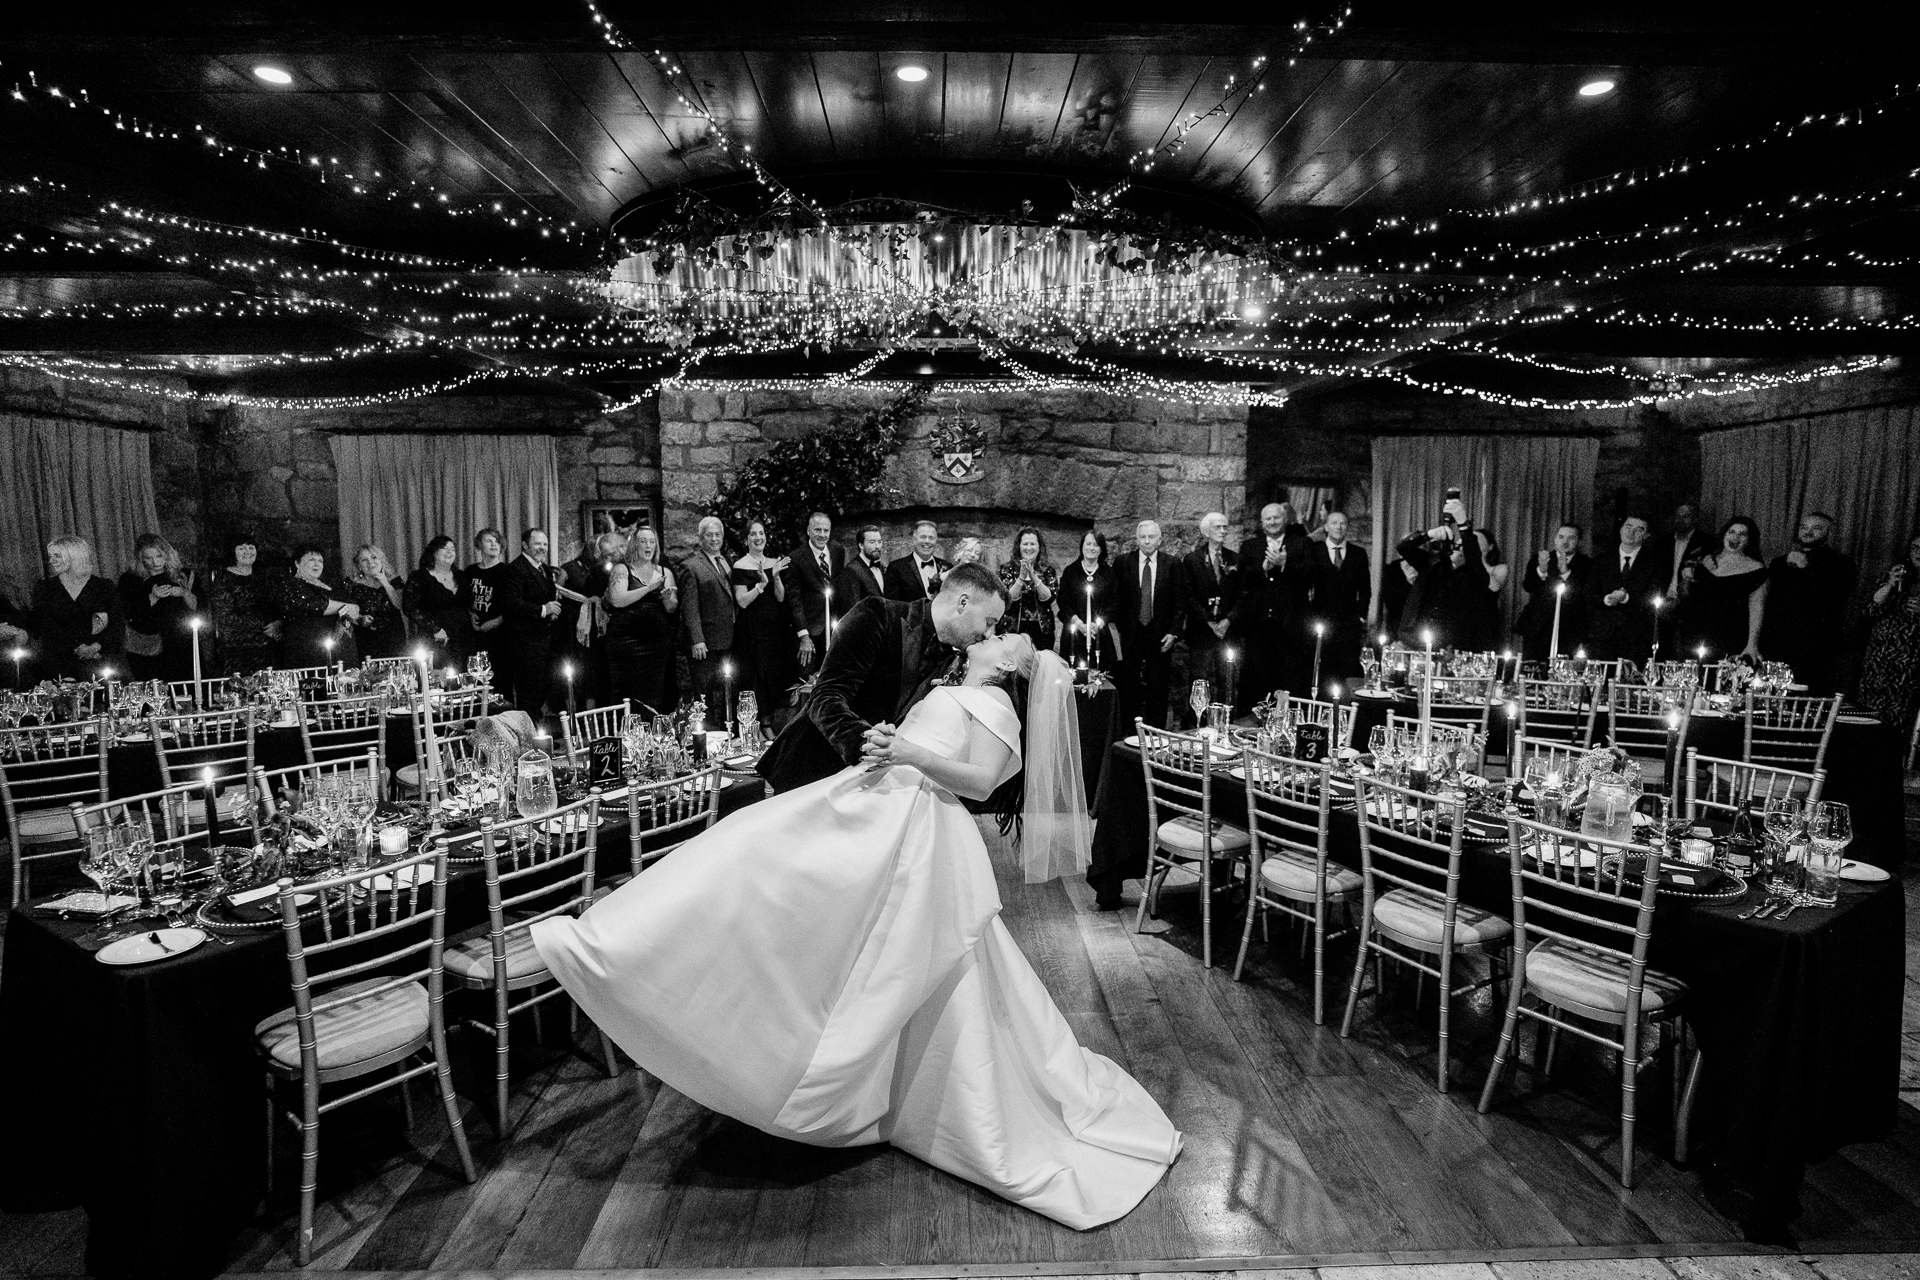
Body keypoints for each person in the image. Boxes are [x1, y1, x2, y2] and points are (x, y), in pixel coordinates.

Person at [532, 630, 1180, 1230]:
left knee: (791, 886)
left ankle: (825, 1069)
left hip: (914, 829)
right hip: (876, 803)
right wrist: (884, 744)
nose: (1000, 633)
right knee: (750, 857)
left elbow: (982, 781)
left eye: (1010, 636)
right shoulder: (957, 686)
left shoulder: (998, 707)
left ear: (1010, 663)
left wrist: (905, 748)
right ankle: (615, 944)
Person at [758, 561, 1007, 794]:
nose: (989, 633)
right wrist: (864, 740)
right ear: (962, 603)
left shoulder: (954, 662)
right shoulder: (877, 614)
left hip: (870, 790)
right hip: (806, 774)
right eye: (989, 621)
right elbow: (825, 697)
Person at [1758, 512, 1858, 695]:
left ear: (1828, 533)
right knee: (1772, 702)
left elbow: (1833, 600)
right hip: (1777, 645)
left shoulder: (1842, 564)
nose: (1808, 532)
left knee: (1808, 705)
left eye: (1816, 528)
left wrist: (1806, 569)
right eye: (1804, 527)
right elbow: (1769, 604)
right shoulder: (1780, 563)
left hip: (1815, 649)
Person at [1396, 495, 1500, 651]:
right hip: (1411, 640)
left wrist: (1464, 526)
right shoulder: (1432, 563)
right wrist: (1428, 535)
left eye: (1467, 545)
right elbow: (1403, 547)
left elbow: (1476, 564)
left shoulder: (1474, 576)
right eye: (1459, 544)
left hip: (1446, 647)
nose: (1461, 547)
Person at [1233, 503, 1310, 710]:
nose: (1273, 522)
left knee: (1289, 676)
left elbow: (1311, 576)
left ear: (1284, 520)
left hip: (1290, 625)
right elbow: (1241, 579)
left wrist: (1285, 563)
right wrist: (1263, 568)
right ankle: (1253, 723)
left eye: (1276, 518)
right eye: (1268, 519)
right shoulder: (1250, 546)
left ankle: (1287, 722)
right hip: (1258, 625)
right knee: (1257, 677)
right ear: (1262, 523)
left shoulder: (1301, 544)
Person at [1114, 521, 1184, 729]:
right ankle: (1128, 733)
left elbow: (1179, 602)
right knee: (1129, 687)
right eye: (1142, 537)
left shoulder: (1172, 564)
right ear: (1137, 540)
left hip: (1160, 635)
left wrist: (1173, 632)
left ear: (1160, 540)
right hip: (1131, 634)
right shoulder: (1122, 562)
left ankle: (1156, 736)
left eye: (1151, 537)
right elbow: (1116, 599)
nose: (1147, 541)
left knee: (1158, 688)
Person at [27, 536, 122, 682]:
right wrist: (79, 648)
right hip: (60, 663)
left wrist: (96, 647)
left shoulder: (104, 586)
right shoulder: (44, 588)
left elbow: (117, 624)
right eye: (50, 556)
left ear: (74, 556)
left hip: (102, 661)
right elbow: (46, 625)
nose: (51, 561)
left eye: (57, 556)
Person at [605, 527, 678, 715]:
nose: (648, 545)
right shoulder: (622, 569)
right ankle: (625, 734)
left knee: (653, 691)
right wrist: (648, 588)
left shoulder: (664, 572)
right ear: (634, 544)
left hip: (656, 644)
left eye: (652, 541)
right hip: (625, 642)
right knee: (625, 690)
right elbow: (618, 599)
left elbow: (671, 608)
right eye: (643, 541)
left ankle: (651, 734)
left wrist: (667, 598)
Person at [1676, 516, 1768, 662]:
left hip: (1730, 637)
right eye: (1731, 532)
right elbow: (1684, 594)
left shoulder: (1756, 570)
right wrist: (1686, 578)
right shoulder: (1705, 560)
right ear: (1724, 534)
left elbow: (1757, 609)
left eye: (1742, 534)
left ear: (1749, 540)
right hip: (1694, 633)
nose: (1735, 537)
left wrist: (1752, 644)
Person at [732, 520, 794, 736]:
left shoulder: (773, 562)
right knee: (754, 677)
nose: (758, 537)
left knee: (771, 678)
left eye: (761, 533)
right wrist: (761, 584)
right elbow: (742, 601)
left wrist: (775, 577)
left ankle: (767, 725)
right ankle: (752, 728)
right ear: (746, 539)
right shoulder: (740, 566)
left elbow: (780, 597)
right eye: (753, 534)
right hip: (751, 631)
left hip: (773, 630)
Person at [497, 529, 565, 720]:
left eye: (544, 544)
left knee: (542, 689)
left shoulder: (542, 568)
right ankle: (530, 739)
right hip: (525, 643)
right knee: (529, 693)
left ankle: (538, 734)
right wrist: (544, 610)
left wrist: (551, 612)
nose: (542, 548)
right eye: (537, 544)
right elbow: (510, 602)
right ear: (525, 545)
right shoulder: (516, 568)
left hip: (545, 641)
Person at [1857, 532, 1920, 735]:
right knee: (1870, 716)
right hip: (1881, 660)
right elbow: (1869, 610)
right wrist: (1890, 584)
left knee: (1899, 722)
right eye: (1916, 547)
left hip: (1910, 663)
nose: (1919, 552)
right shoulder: (1896, 574)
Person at [1585, 514, 1666, 664]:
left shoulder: (1655, 563)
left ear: (1646, 535)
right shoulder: (1601, 560)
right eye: (1628, 527)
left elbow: (1654, 595)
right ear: (1621, 530)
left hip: (1637, 635)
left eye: (1639, 529)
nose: (1632, 532)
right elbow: (1588, 594)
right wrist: (1606, 599)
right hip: (1603, 635)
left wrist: (1626, 598)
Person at [118, 534, 199, 682]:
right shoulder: (130, 580)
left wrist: (184, 593)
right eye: (148, 558)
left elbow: (200, 608)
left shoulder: (183, 576)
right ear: (140, 558)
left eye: (159, 556)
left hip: (182, 643)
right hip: (148, 647)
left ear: (167, 555)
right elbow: (127, 613)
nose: (155, 562)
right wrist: (152, 597)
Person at [679, 516, 738, 715]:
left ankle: (725, 731)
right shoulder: (691, 566)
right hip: (705, 643)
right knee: (704, 696)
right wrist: (697, 639)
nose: (714, 539)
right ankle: (707, 737)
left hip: (728, 640)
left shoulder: (728, 561)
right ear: (701, 538)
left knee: (726, 691)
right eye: (709, 535)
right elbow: (689, 607)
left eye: (718, 534)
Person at [1181, 513, 1239, 714]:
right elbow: (1187, 597)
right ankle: (1197, 721)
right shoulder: (1192, 560)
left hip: (1227, 632)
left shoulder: (1235, 559)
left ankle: (1225, 721)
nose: (1223, 531)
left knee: (1227, 681)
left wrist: (1228, 620)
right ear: (1206, 532)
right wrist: (1209, 622)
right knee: (1199, 681)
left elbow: (1243, 594)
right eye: (1217, 527)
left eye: (1225, 527)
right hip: (1202, 632)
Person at [1306, 510, 1370, 693]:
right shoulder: (1315, 550)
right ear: (1326, 527)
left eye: (1343, 523)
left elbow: (1365, 589)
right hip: (1320, 621)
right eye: (1334, 523)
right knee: (1322, 668)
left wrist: (1361, 617)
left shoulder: (1359, 553)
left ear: (1347, 527)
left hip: (1349, 623)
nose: (1338, 527)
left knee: (1347, 669)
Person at [1513, 523, 1591, 663]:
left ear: (1579, 541)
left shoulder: (1586, 563)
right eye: (1561, 537)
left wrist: (1566, 572)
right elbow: (1528, 586)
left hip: (1569, 627)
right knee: (1532, 667)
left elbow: (1583, 592)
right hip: (1538, 626)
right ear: (1555, 539)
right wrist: (1542, 570)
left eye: (1571, 538)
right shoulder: (1540, 558)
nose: (1564, 542)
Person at [558, 533, 618, 710]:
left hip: (597, 623)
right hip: (573, 624)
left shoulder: (603, 569)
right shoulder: (568, 568)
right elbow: (558, 593)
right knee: (574, 668)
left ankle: (591, 715)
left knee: (593, 669)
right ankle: (572, 716)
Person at [207, 533, 281, 675]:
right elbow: (225, 616)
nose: (247, 552)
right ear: (233, 551)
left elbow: (277, 606)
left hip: (267, 646)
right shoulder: (223, 578)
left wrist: (278, 623)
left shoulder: (265, 577)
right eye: (241, 548)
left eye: (251, 547)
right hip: (237, 648)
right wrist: (264, 626)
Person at [280, 546, 362, 669]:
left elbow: (353, 608)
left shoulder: (331, 584)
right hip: (310, 648)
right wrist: (347, 606)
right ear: (297, 563)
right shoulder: (291, 585)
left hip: (340, 647)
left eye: (320, 561)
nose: (317, 564)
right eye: (311, 560)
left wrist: (356, 612)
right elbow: (318, 605)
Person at [404, 535, 476, 672]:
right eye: (444, 548)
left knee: (464, 676)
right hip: (435, 638)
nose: (450, 552)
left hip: (463, 637)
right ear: (433, 552)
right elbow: (409, 608)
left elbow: (468, 602)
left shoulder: (461, 576)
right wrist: (435, 629)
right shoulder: (419, 577)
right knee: (439, 678)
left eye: (452, 549)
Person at [1058, 530, 1122, 673]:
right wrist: (1079, 624)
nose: (1091, 548)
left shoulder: (1108, 573)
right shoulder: (1070, 572)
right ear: (1082, 546)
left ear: (1101, 549)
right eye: (1088, 543)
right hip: (1074, 633)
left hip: (1100, 634)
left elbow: (1115, 603)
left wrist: (1098, 623)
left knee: (1100, 677)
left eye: (1096, 544)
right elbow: (1063, 602)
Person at [788, 511, 842, 676]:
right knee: (808, 679)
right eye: (817, 530)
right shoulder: (796, 558)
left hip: (834, 628)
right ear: (808, 531)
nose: (822, 534)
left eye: (826, 530)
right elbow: (794, 599)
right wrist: (803, 635)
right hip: (810, 632)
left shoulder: (838, 551)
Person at [1661, 501, 1714, 653]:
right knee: (1662, 650)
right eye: (1677, 516)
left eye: (1686, 516)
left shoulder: (1707, 542)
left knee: (1689, 650)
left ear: (1695, 519)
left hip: (1691, 605)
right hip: (1664, 603)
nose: (1680, 520)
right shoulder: (1663, 542)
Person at [342, 544, 408, 661]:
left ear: (381, 560)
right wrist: (360, 618)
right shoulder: (351, 585)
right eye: (364, 560)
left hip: (393, 636)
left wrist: (384, 581)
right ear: (359, 566)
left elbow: (399, 604)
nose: (370, 562)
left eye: (374, 557)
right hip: (367, 638)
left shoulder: (395, 581)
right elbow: (345, 613)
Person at [468, 528, 511, 701]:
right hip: (475, 636)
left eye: (497, 541)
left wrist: (496, 622)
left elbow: (514, 605)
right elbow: (462, 599)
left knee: (500, 683)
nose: (494, 544)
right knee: (476, 684)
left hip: (501, 636)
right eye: (488, 541)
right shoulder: (470, 571)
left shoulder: (508, 571)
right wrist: (470, 613)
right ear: (479, 546)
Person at [998, 528, 1058, 652]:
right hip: (1013, 629)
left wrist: (1033, 576)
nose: (1029, 548)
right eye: (1025, 544)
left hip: (1041, 630)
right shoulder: (1007, 569)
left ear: (1039, 547)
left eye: (1032, 544)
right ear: (1019, 546)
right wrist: (1021, 578)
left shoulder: (1047, 570)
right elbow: (1008, 598)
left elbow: (1048, 597)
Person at [885, 521, 951, 601]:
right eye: (923, 537)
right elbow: (892, 605)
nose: (927, 541)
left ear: (936, 541)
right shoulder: (896, 568)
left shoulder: (948, 567)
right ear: (914, 540)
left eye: (931, 538)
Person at [835, 524, 889, 610]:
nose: (877, 546)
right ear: (861, 545)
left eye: (879, 541)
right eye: (872, 542)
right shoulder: (851, 571)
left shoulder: (883, 569)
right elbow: (852, 610)